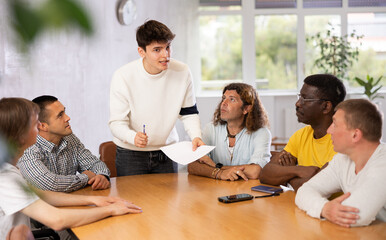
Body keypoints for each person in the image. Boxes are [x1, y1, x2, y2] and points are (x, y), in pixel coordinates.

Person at [0, 97, 142, 240]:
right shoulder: (5, 178)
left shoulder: (8, 170)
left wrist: (95, 201)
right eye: (33, 123)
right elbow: (57, 220)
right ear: (20, 134)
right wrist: (110, 210)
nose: (38, 126)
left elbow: (43, 195)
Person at [109, 20, 204, 176]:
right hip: (131, 154)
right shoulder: (123, 76)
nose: (165, 55)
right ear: (141, 52)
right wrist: (133, 137)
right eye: (157, 50)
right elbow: (116, 123)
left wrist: (196, 136)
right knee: (133, 200)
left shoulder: (182, 71)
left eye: (168, 47)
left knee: (167, 200)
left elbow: (188, 112)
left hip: (167, 152)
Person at [296, 99, 386, 227]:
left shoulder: (383, 164)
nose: (329, 131)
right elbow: (304, 190)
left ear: (355, 135)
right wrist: (324, 208)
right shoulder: (342, 159)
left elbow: (355, 217)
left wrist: (319, 207)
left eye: (335, 124)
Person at [260, 74, 346, 191]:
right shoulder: (301, 135)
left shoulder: (342, 143)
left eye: (305, 99)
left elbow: (314, 188)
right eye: (299, 97)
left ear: (326, 106)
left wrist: (286, 176)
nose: (298, 103)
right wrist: (297, 170)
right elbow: (266, 174)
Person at [17, 95, 111, 193]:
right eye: (60, 115)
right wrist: (86, 177)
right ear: (42, 126)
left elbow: (94, 164)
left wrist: (101, 176)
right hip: (39, 207)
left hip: (69, 204)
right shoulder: (27, 148)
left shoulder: (69, 138)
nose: (68, 118)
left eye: (64, 112)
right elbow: (50, 185)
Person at [188, 83, 271, 181]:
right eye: (223, 98)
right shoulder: (211, 129)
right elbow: (192, 165)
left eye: (232, 99)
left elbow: (255, 171)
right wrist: (220, 174)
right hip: (214, 190)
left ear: (246, 109)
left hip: (246, 191)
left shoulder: (262, 133)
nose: (223, 103)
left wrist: (215, 166)